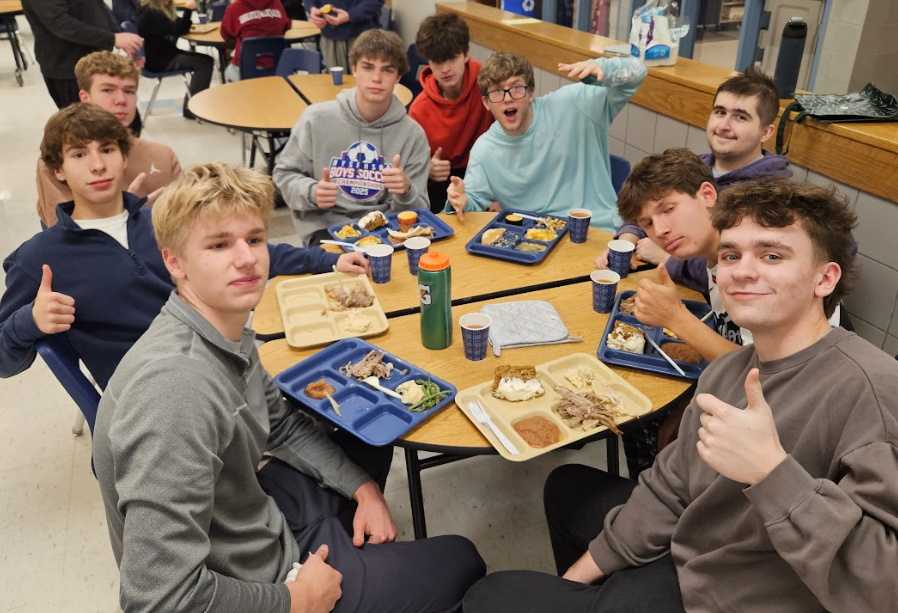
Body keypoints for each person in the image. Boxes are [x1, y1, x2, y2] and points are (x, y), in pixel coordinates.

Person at [465, 177, 898, 613]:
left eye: (772, 255)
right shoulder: (729, 368)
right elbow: (672, 487)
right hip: (699, 549)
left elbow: (884, 587)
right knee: (566, 486)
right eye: (731, 254)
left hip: (751, 593)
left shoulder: (875, 390)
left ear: (825, 279)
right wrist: (574, 587)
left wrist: (772, 474)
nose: (743, 270)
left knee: (488, 595)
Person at [91, 160, 486, 613]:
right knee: (461, 561)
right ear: (174, 261)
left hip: (249, 519)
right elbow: (157, 599)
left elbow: (280, 427)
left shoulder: (224, 328)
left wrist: (362, 489)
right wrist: (293, 600)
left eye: (254, 239)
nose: (246, 258)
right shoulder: (176, 390)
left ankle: (346, 545)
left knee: (369, 445)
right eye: (219, 244)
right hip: (249, 581)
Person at [0, 103, 369, 390]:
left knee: (349, 360)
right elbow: (4, 361)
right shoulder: (38, 259)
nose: (97, 165)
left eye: (108, 149)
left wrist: (326, 260)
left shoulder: (160, 219)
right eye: (79, 154)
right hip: (154, 396)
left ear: (125, 157)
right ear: (58, 170)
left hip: (226, 356)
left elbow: (243, 251)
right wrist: (27, 322)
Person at [612, 149, 841, 477]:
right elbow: (740, 356)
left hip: (793, 432)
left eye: (668, 209)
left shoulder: (748, 265)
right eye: (647, 223)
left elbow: (770, 378)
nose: (659, 230)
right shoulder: (714, 259)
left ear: (707, 194)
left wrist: (677, 318)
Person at [597, 67, 791, 292]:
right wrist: (627, 242)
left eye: (740, 117)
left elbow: (742, 271)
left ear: (766, 132)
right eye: (719, 112)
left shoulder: (772, 196)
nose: (724, 125)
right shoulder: (696, 165)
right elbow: (646, 206)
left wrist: (669, 259)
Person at [445, 51, 646, 232]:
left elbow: (638, 71)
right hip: (534, 244)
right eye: (497, 91)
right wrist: (459, 201)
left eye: (516, 87)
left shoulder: (575, 103)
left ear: (531, 92)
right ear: (486, 103)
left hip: (597, 233)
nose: (507, 98)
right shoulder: (484, 150)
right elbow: (469, 208)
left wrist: (605, 68)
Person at [273, 29, 430, 246]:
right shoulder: (315, 119)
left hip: (386, 230)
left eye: (387, 70)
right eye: (368, 67)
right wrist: (312, 192)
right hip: (325, 229)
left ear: (398, 77)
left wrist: (406, 192)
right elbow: (283, 174)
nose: (376, 78)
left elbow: (420, 211)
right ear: (354, 69)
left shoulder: (413, 135)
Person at [36, 51, 182, 228]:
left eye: (129, 91)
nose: (121, 100)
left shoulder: (163, 155)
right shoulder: (58, 160)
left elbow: (187, 221)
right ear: (85, 98)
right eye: (107, 90)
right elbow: (64, 236)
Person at [408, 14, 493, 213]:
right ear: (428, 62)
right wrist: (427, 169)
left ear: (465, 54)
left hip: (488, 172)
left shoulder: (488, 82)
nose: (445, 69)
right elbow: (410, 169)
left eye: (452, 58)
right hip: (443, 180)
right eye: (437, 61)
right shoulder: (419, 109)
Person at [21, 0, 144, 109]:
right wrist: (112, 38)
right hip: (68, 68)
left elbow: (97, 7)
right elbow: (60, 23)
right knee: (86, 127)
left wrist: (121, 39)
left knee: (121, 123)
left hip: (96, 61)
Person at [137, 0, 214, 119]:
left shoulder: (159, 8)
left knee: (207, 60)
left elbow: (176, 22)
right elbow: (180, 29)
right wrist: (188, 10)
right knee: (204, 64)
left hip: (164, 54)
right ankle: (192, 109)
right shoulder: (152, 12)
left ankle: (195, 105)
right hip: (159, 61)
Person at [221, 0, 292, 82]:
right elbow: (287, 26)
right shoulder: (276, 3)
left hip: (244, 70)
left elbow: (226, 35)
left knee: (228, 71)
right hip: (276, 68)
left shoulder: (234, 8)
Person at [304, 0, 383, 72]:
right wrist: (312, 9)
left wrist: (351, 15)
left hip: (361, 36)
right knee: (335, 82)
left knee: (366, 80)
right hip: (329, 37)